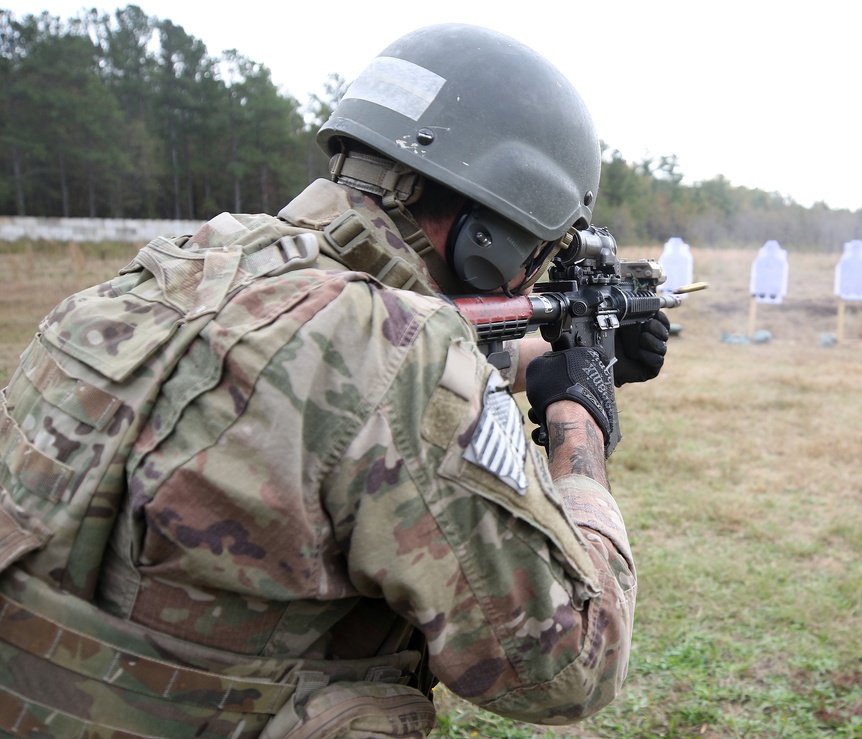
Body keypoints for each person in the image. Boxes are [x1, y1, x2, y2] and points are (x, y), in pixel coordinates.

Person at [0, 23, 668, 738]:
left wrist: (542, 360)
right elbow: (567, 668)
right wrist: (580, 418)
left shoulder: (171, 278)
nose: (528, 275)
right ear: (491, 238)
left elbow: (326, 394)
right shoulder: (400, 354)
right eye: (535, 253)